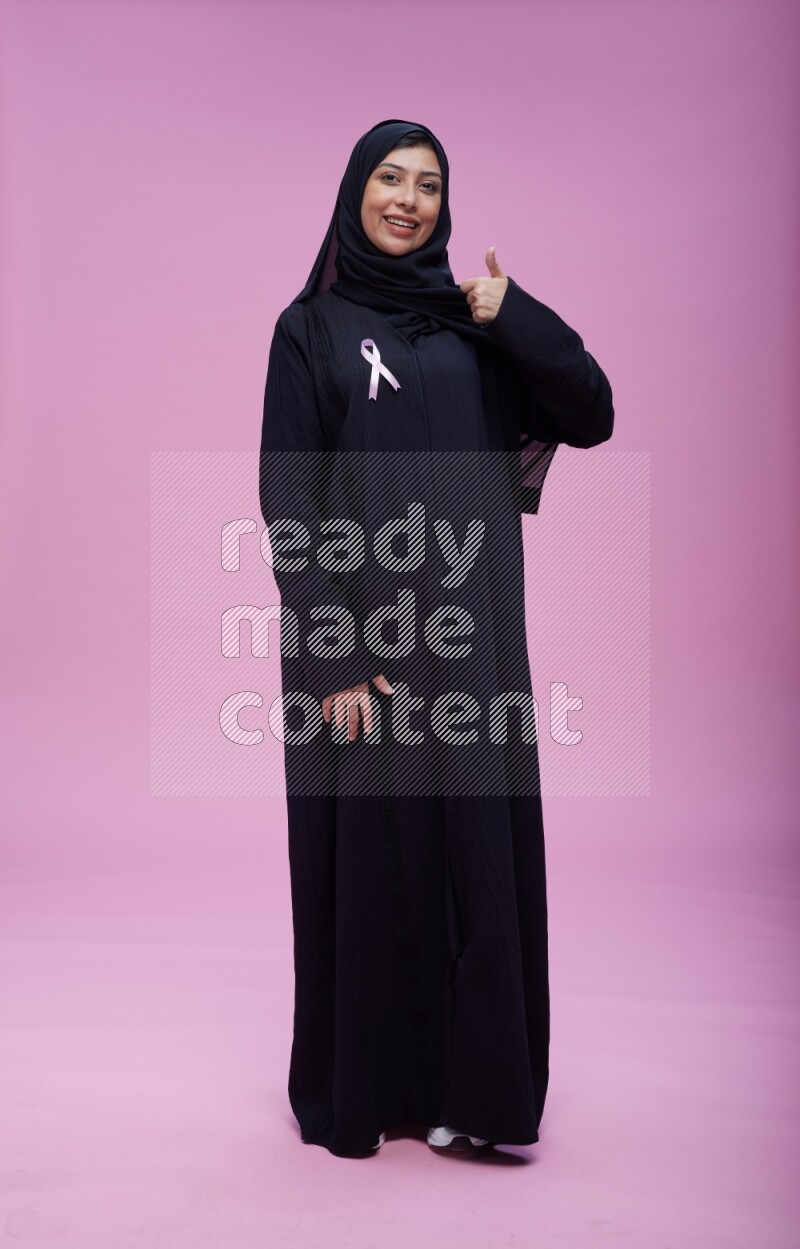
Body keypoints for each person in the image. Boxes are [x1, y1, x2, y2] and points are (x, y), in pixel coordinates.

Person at [259, 119, 614, 1158]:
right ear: (354, 192)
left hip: (469, 650)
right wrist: (330, 653)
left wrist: (518, 315)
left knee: (475, 854)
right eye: (388, 178)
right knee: (377, 861)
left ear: (444, 205)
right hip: (359, 646)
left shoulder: (473, 326)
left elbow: (585, 411)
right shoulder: (309, 331)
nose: (406, 199)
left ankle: (480, 1093)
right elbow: (290, 498)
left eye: (426, 184)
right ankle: (368, 1088)